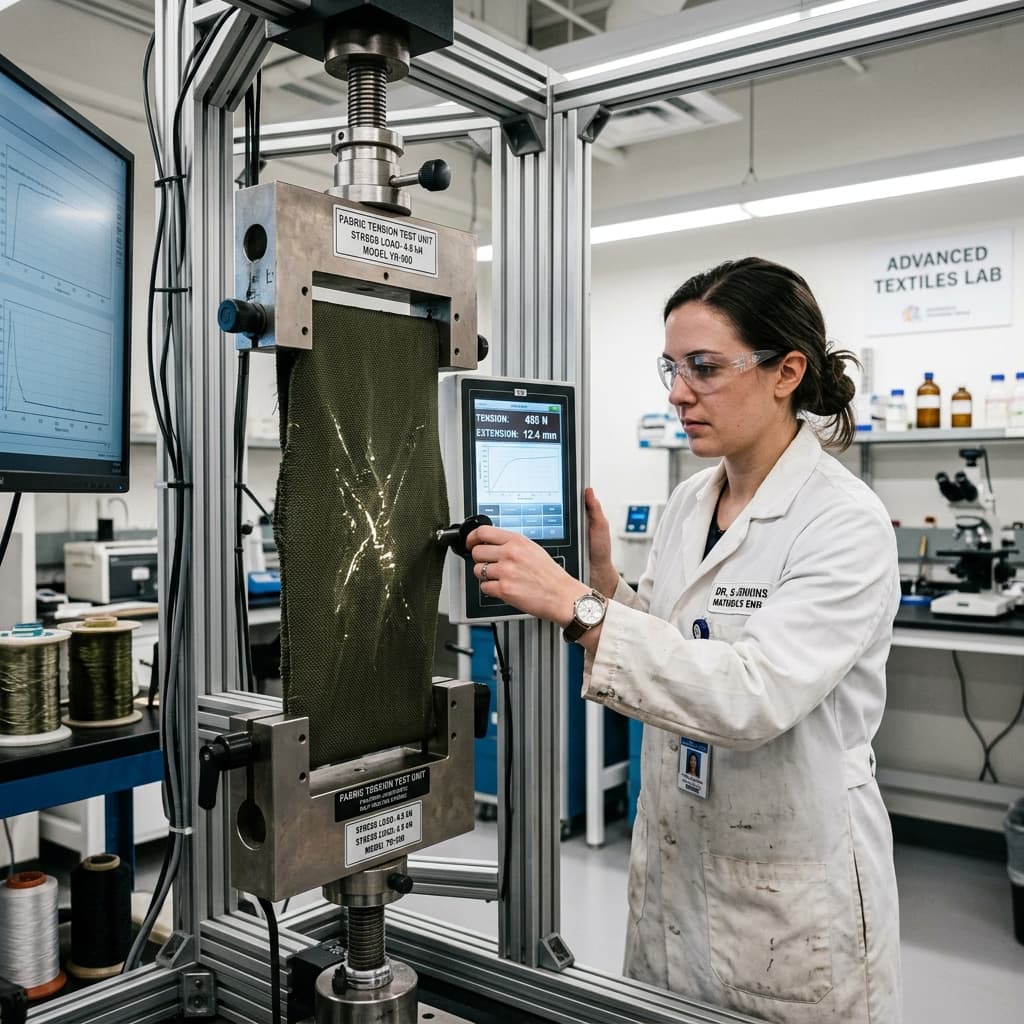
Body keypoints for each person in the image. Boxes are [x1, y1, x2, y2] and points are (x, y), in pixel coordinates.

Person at [466, 257, 901, 1024]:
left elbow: (748, 694)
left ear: (786, 372)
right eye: (672, 367)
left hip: (786, 886)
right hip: (678, 860)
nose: (676, 392)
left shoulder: (844, 520)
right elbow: (680, 641)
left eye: (703, 367)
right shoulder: (689, 500)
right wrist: (605, 586)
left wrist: (575, 605)